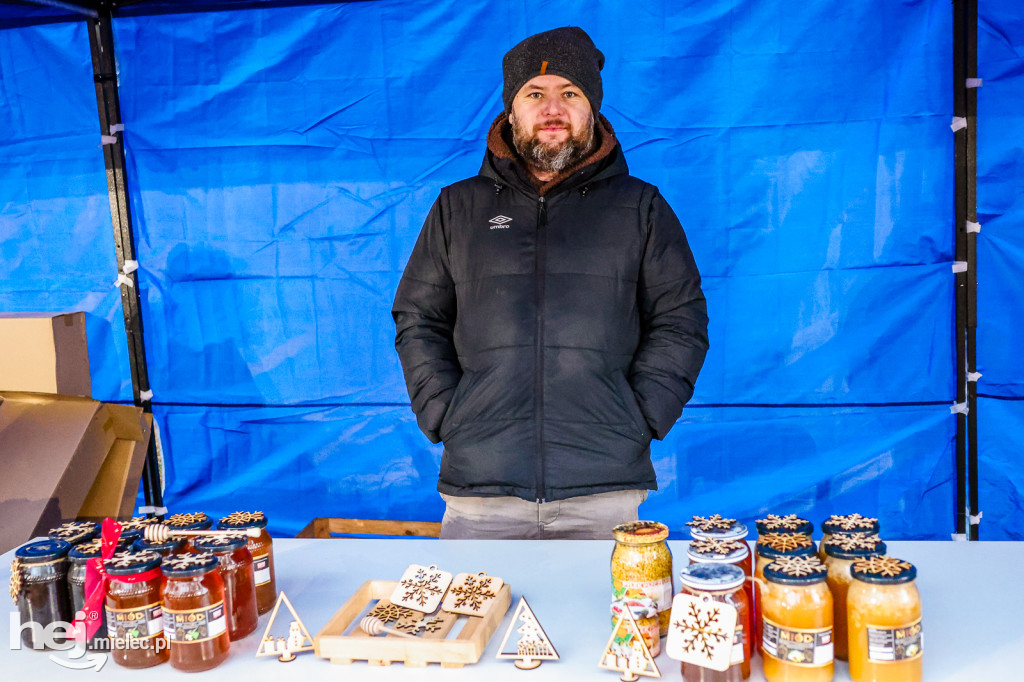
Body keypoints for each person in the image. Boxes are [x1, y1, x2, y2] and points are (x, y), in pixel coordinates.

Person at [392, 26, 709, 539]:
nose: (553, 109)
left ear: (593, 109)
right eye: (534, 94)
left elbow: (681, 320)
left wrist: (640, 417)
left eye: (571, 93)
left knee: (612, 599)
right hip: (481, 488)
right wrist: (447, 414)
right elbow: (418, 318)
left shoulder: (641, 208)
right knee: (476, 598)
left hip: (604, 490)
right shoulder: (458, 207)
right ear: (510, 111)